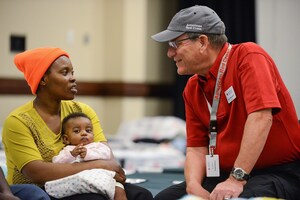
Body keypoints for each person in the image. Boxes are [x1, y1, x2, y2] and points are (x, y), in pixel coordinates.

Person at [151, 5, 300, 200]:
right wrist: (193, 186)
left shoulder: (248, 56)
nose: (170, 53)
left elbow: (261, 118)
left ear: (203, 42)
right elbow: (196, 147)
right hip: (225, 174)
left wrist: (236, 179)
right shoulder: (193, 87)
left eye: (175, 44)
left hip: (278, 172)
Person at [2, 47, 154, 200]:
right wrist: (97, 165)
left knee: (141, 195)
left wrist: (108, 172)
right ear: (42, 79)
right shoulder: (18, 121)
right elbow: (36, 173)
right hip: (43, 190)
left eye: (72, 72)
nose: (73, 78)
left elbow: (107, 156)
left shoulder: (83, 111)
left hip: (90, 180)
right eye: (64, 72)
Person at [46, 112, 122, 200]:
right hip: (77, 181)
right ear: (66, 139)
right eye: (77, 131)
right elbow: (57, 162)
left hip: (98, 177)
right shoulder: (68, 150)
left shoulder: (96, 146)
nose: (84, 133)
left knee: (118, 188)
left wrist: (88, 154)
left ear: (93, 135)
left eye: (88, 130)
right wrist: (71, 155)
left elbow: (106, 154)